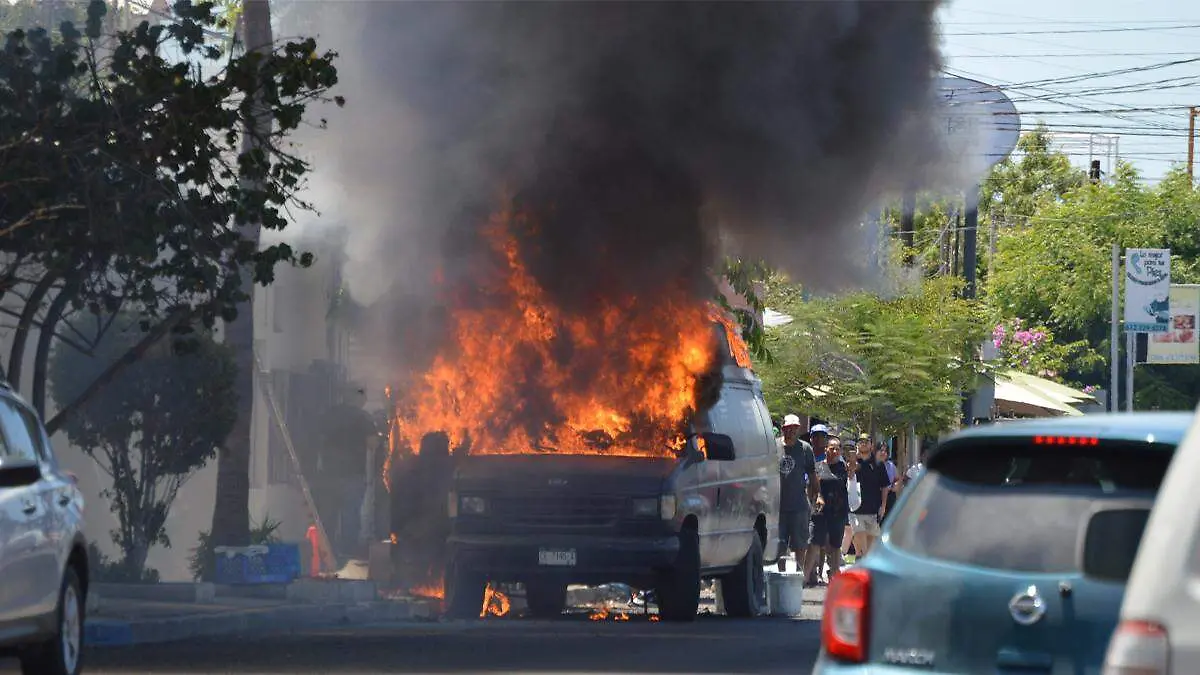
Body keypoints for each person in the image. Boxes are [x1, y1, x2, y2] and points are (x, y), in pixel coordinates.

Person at [804, 436, 859, 584]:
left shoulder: (844, 467)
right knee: (814, 542)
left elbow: (852, 473)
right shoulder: (818, 467)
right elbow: (810, 487)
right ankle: (805, 576)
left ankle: (834, 577)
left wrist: (852, 461)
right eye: (832, 448)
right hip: (820, 512)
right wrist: (816, 497)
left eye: (837, 448)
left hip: (838, 512)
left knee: (835, 546)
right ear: (826, 449)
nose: (835, 451)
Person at [777, 415, 820, 573]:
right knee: (779, 546)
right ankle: (780, 577)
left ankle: (798, 577)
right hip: (778, 506)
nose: (792, 430)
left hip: (799, 505)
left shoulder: (805, 448)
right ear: (783, 428)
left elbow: (812, 474)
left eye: (795, 428)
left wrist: (819, 495)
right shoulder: (774, 447)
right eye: (789, 427)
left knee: (800, 545)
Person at [850, 436, 889, 559]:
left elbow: (885, 486)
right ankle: (860, 564)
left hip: (873, 510)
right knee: (862, 548)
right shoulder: (852, 461)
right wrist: (853, 461)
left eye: (866, 442)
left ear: (871, 445)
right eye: (860, 442)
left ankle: (863, 571)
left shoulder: (878, 464)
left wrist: (883, 506)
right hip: (855, 510)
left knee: (870, 552)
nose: (863, 444)